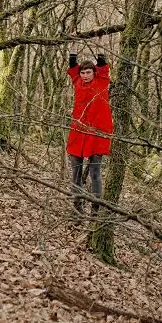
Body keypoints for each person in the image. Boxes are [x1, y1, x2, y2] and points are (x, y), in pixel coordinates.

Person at [66, 50, 113, 214]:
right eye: (83, 72)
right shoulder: (78, 82)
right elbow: (73, 69)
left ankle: (95, 210)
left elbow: (102, 66)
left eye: (88, 72)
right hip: (78, 134)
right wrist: (72, 57)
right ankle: (77, 210)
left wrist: (101, 55)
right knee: (76, 174)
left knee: (95, 173)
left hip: (96, 134)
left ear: (94, 73)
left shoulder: (101, 82)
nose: (85, 75)